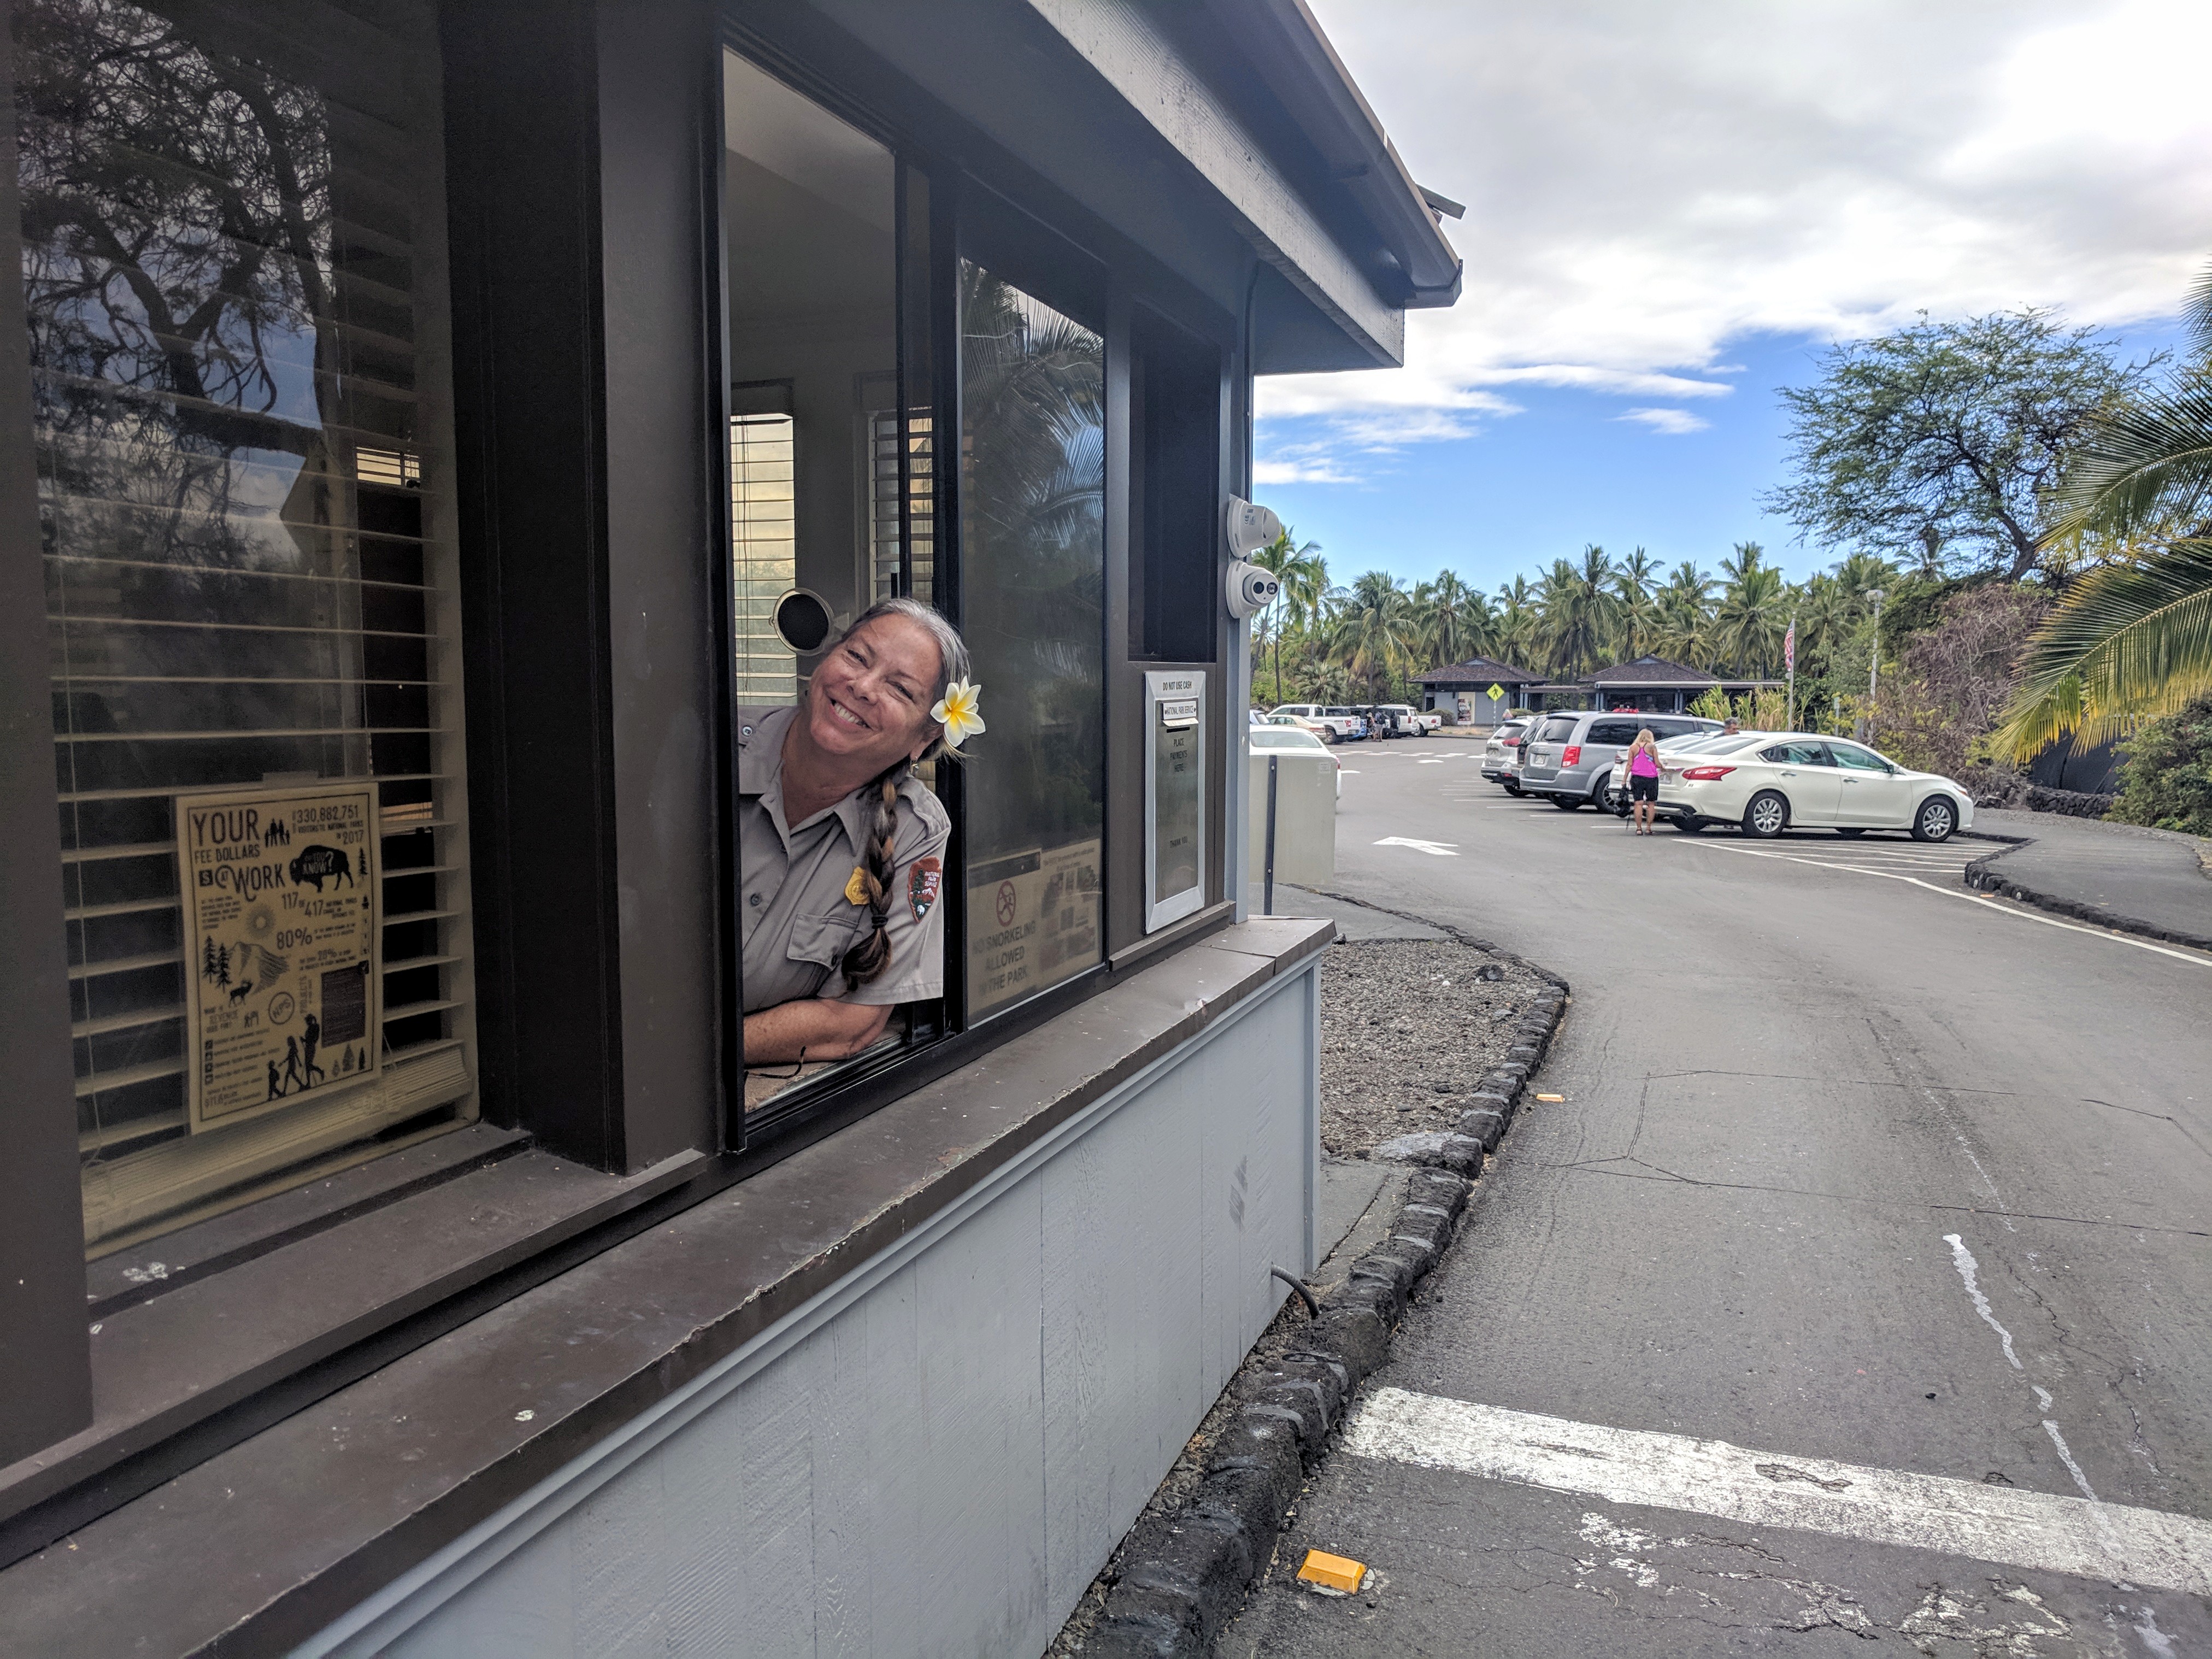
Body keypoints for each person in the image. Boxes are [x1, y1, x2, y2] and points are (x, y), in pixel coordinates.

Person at [739, 597, 979, 1066]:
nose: (863, 687)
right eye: (856, 657)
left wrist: (692, 1059)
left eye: (900, 689)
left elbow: (852, 1023)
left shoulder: (915, 832)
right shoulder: (701, 743)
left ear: (925, 738)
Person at [1625, 726, 1663, 835]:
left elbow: (1629, 765)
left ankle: (1638, 828)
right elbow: (1657, 763)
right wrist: (1663, 768)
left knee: (1638, 803)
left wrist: (1624, 780)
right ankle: (1649, 828)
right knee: (1651, 803)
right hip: (1651, 778)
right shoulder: (1652, 747)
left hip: (1637, 777)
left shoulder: (1633, 748)